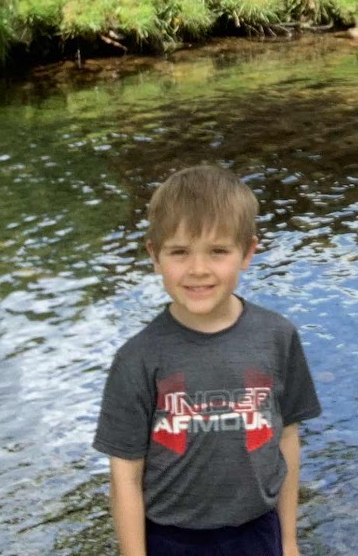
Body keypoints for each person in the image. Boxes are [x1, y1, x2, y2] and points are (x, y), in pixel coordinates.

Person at [95, 165, 322, 556]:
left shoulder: (277, 338)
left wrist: (288, 541)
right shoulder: (138, 358)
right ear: (154, 255)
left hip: (258, 531)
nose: (198, 270)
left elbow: (287, 439)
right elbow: (125, 473)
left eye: (218, 251)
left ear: (247, 252)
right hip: (171, 539)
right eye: (179, 252)